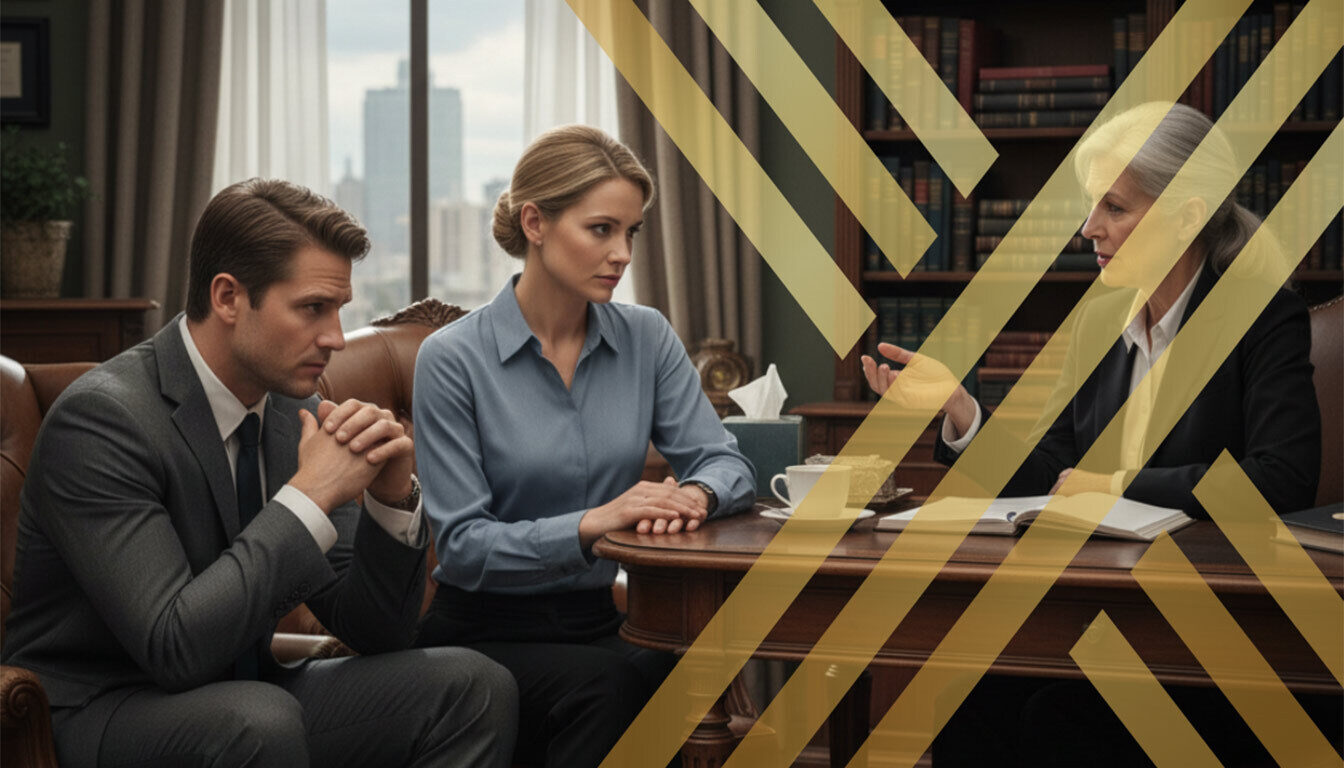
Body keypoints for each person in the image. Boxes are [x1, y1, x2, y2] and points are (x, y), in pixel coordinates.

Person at [862, 102, 1335, 766]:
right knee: (967, 698)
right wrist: (962, 412)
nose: (1090, 228)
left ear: (1188, 215)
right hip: (1094, 600)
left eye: (1114, 207)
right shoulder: (1098, 321)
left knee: (1056, 722)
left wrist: (1115, 484)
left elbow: (1281, 479)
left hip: (1211, 628)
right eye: (1092, 206)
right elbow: (1054, 472)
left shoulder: (1260, 315)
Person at [2, 179, 518, 768]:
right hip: (101, 711)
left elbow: (377, 633)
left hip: (251, 701)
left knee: (473, 686)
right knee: (257, 718)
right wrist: (309, 495)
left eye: (339, 310)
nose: (335, 338)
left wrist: (391, 498)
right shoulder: (102, 420)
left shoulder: (291, 413)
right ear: (228, 297)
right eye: (313, 308)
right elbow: (173, 648)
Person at [412, 125, 756, 767]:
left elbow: (724, 461)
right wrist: (593, 524)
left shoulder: (646, 336)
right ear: (535, 223)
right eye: (601, 229)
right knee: (611, 687)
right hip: (482, 632)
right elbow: (462, 547)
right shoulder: (451, 358)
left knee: (682, 673)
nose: (621, 253)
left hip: (600, 618)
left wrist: (698, 494)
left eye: (631, 232)